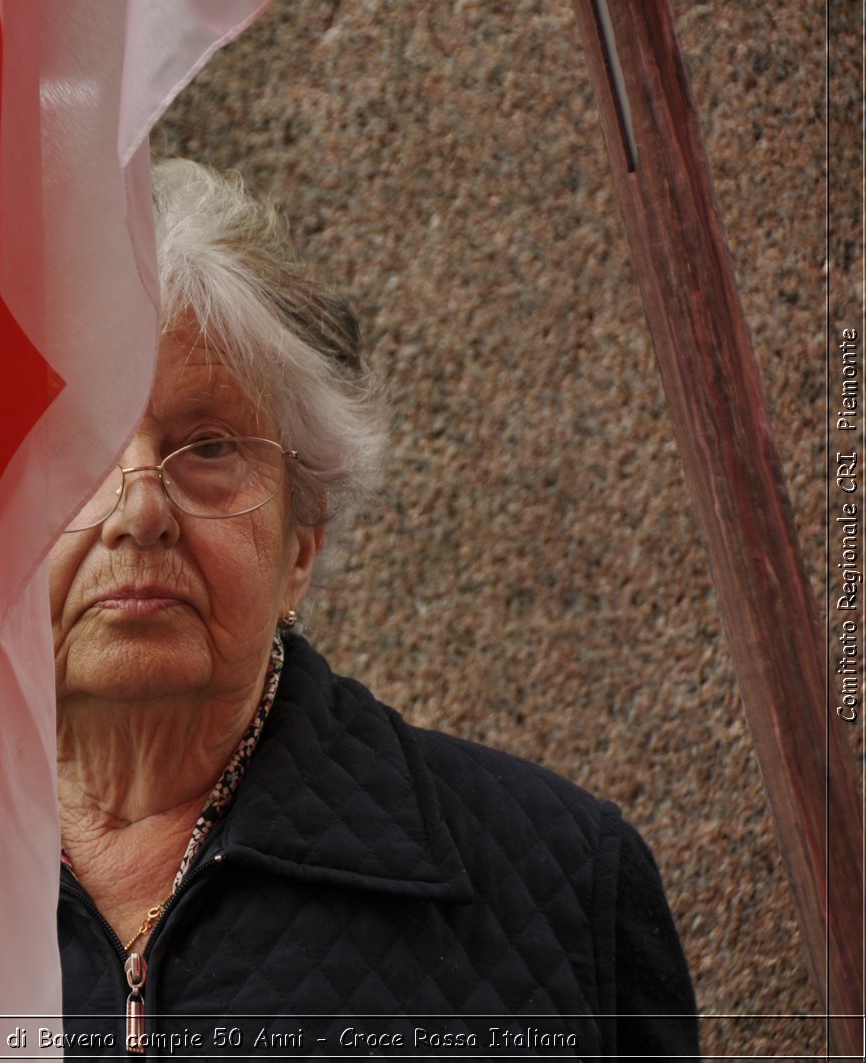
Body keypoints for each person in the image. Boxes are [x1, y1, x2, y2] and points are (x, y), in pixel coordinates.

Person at [52, 159, 699, 1057]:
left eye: (208, 445)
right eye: (76, 441)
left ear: (301, 545)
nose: (140, 509)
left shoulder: (561, 881)